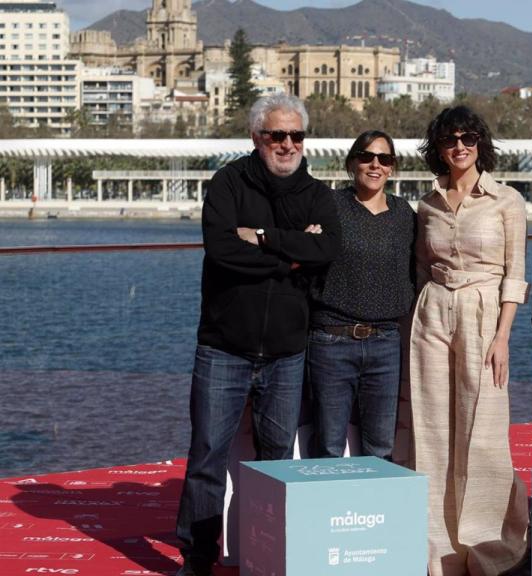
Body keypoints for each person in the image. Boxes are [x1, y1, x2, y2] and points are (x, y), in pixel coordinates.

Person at [175, 93, 340, 576]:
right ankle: (198, 557)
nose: (287, 144)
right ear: (257, 137)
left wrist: (263, 237)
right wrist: (293, 253)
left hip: (288, 352)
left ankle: (269, 556)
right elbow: (223, 250)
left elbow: (327, 247)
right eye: (276, 135)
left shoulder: (317, 192)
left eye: (296, 135)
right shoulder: (228, 183)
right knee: (207, 456)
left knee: (277, 464)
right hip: (223, 348)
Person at [408, 106, 529, 575]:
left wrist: (503, 336)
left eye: (469, 137)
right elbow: (422, 265)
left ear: (481, 143)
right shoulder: (427, 203)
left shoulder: (507, 201)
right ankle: (440, 552)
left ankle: (491, 550)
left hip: (484, 314)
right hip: (433, 311)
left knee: (484, 431)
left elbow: (515, 275)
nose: (460, 146)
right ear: (438, 148)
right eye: (450, 139)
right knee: (433, 429)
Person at [307, 130, 416, 459]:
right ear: (352, 162)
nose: (375, 165)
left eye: (384, 159)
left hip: (385, 343)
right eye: (367, 157)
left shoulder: (404, 215)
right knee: (328, 445)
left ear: (392, 168)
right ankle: (326, 511)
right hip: (331, 342)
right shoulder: (328, 206)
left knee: (381, 447)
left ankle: (374, 511)